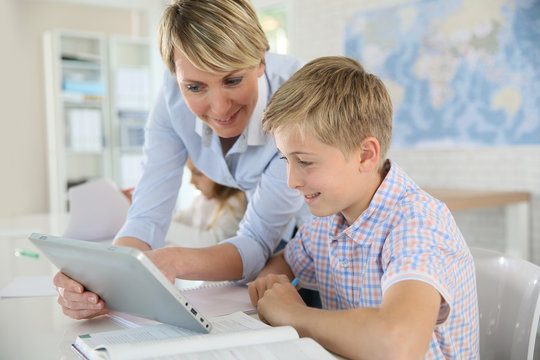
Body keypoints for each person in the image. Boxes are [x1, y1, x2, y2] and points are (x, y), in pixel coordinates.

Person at [53, 0, 307, 320]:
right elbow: (147, 217)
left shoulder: (298, 97)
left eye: (232, 80)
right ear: (176, 77)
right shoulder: (172, 99)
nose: (219, 107)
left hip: (322, 231)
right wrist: (102, 282)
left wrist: (174, 260)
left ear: (261, 61)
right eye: (195, 86)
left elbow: (257, 240)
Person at [248, 57, 479, 359]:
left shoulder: (417, 222)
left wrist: (293, 315)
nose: (291, 181)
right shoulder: (329, 221)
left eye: (304, 161)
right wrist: (272, 281)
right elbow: (285, 262)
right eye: (284, 159)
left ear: (365, 155)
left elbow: (399, 344)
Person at [165, 157, 246, 248]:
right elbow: (177, 221)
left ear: (221, 171)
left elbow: (214, 243)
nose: (191, 181)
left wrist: (164, 227)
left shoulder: (235, 202)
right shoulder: (201, 200)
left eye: (198, 174)